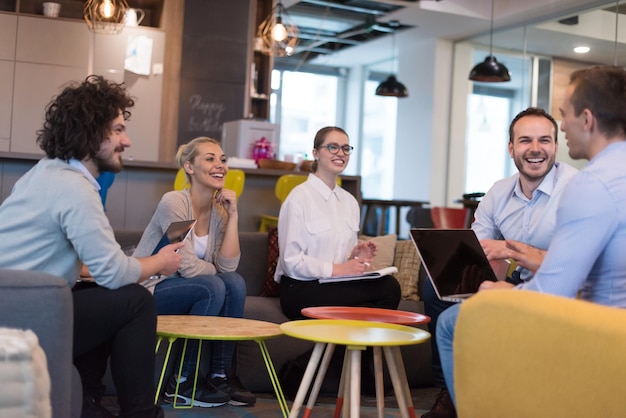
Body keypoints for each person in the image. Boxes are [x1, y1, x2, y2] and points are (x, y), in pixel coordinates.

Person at [436, 65, 626, 408]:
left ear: (587, 119)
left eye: (564, 117)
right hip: (604, 315)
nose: (563, 126)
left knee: (452, 325)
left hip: (602, 328)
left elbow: (555, 291)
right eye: (526, 139)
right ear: (511, 148)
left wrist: (502, 291)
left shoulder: (590, 183)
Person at [0, 75, 183, 418]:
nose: (126, 140)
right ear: (88, 131)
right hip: (20, 317)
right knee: (135, 301)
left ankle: (88, 403)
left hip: (14, 306)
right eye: (117, 129)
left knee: (97, 295)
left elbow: (94, 265)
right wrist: (159, 261)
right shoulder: (75, 189)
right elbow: (114, 272)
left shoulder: (45, 172)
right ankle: (140, 414)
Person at [421, 107, 578, 418]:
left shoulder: (576, 190)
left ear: (556, 148)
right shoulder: (499, 192)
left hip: (558, 287)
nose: (535, 149)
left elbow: (575, 264)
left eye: (544, 140)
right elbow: (477, 250)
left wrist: (507, 249)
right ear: (511, 148)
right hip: (515, 282)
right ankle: (450, 390)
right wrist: (479, 276)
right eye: (525, 140)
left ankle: (455, 403)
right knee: (435, 287)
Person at [133, 137, 255, 408]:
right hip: (150, 288)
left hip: (187, 288)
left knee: (234, 282)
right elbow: (186, 266)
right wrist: (214, 272)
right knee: (214, 286)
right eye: (210, 158)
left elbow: (228, 268)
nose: (220, 165)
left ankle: (220, 375)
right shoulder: (174, 202)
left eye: (222, 159)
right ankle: (181, 382)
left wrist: (233, 215)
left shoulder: (219, 213)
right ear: (189, 167)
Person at [275, 126, 401, 318]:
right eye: (332, 147)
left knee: (390, 287)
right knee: (376, 300)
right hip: (301, 287)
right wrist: (339, 269)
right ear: (315, 153)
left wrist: (355, 258)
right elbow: (291, 262)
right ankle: (350, 346)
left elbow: (342, 262)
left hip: (335, 284)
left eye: (345, 148)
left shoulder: (349, 201)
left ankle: (344, 347)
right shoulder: (298, 198)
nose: (340, 153)